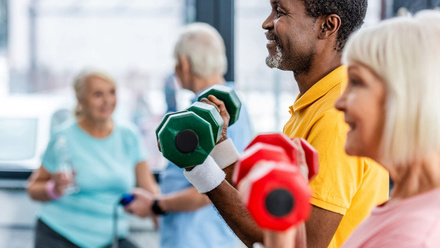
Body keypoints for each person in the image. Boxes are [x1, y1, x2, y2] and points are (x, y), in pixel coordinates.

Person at [181, 0, 389, 247]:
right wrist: (218, 146)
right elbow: (272, 208)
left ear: (327, 26)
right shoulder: (316, 102)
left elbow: (300, 243)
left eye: (279, 11)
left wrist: (201, 170)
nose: (266, 23)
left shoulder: (337, 116)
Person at [124, 23, 253, 248]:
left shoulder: (212, 112)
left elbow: (212, 185)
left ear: (183, 63)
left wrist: (156, 205)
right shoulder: (230, 106)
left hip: (199, 238)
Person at [335, 10, 440, 247]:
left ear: (406, 97)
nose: (339, 103)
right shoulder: (405, 205)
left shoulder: (412, 237)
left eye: (357, 82)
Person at [26, 70, 160, 248]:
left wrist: (163, 217)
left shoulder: (129, 136)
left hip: (110, 238)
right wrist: (54, 188)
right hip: (60, 235)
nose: (107, 101)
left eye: (112, 92)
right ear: (80, 101)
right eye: (98, 94)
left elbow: (150, 188)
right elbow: (33, 188)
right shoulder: (63, 137)